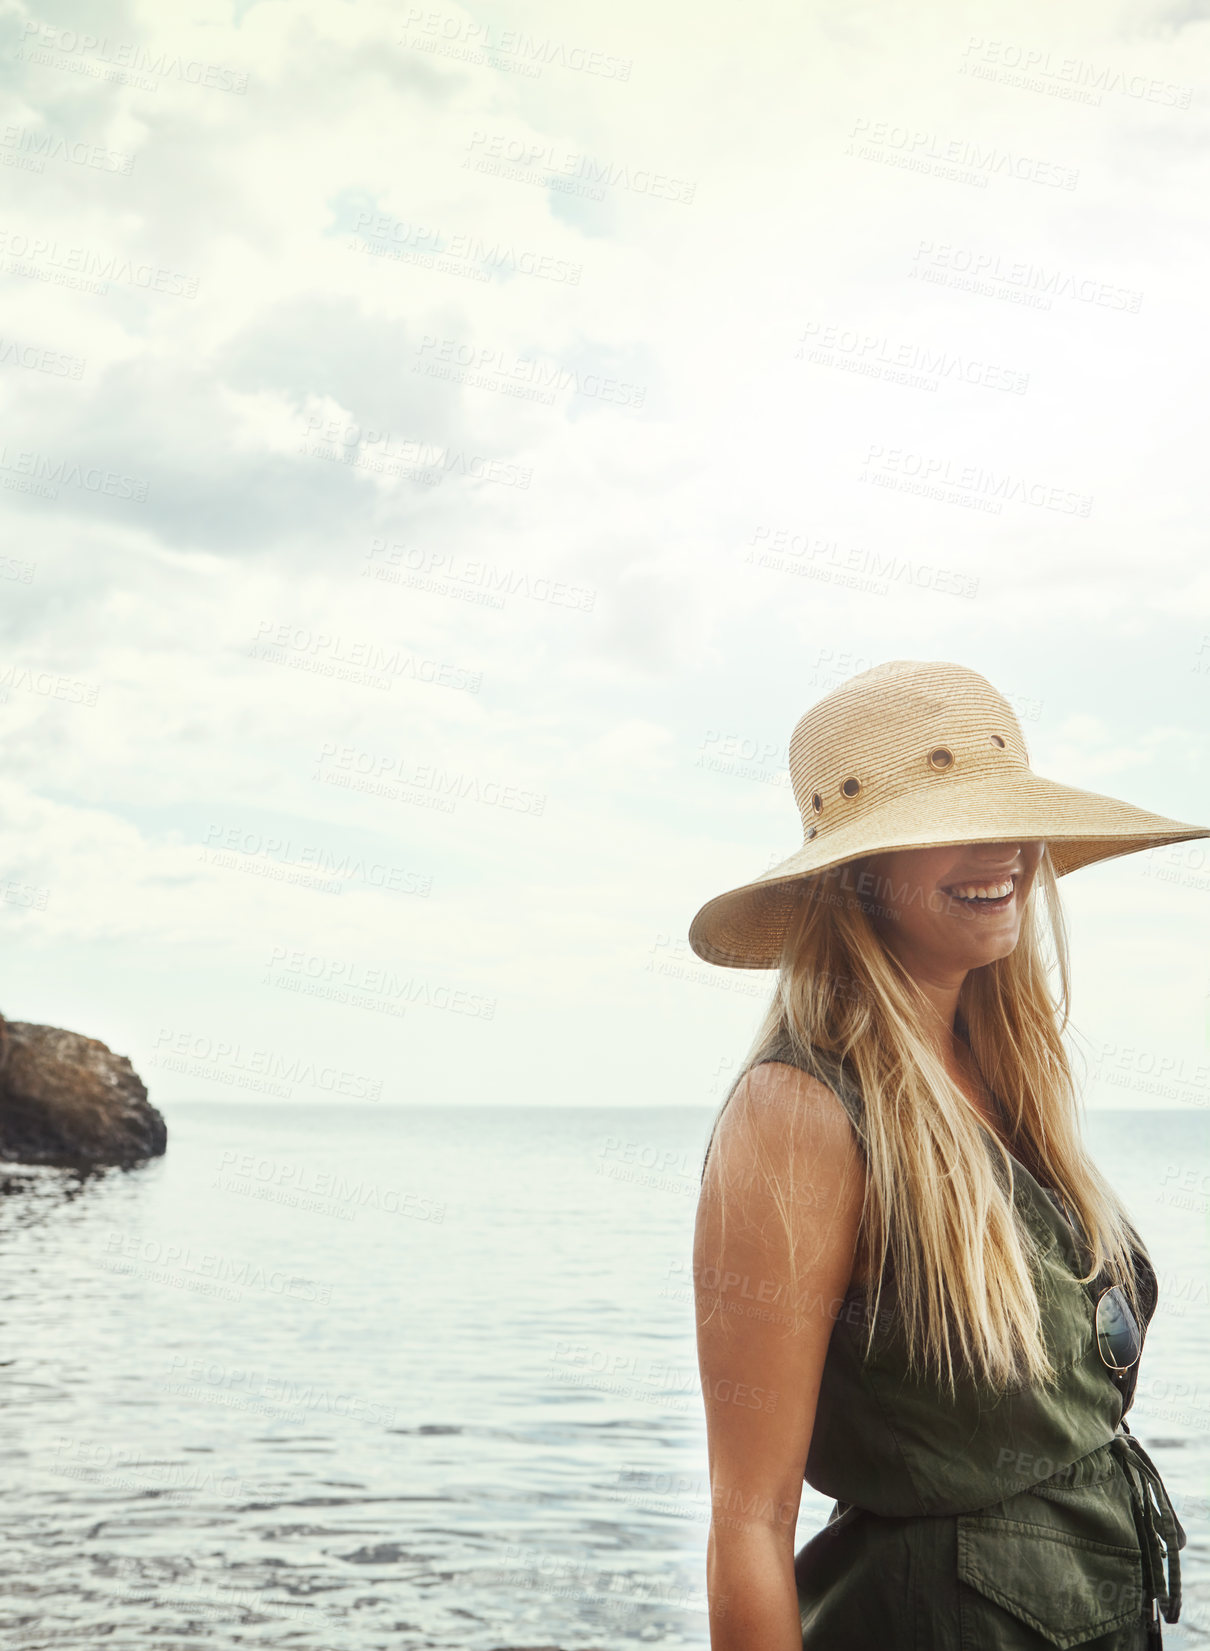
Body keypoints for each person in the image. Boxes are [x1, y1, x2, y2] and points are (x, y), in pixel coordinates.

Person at [687, 660, 1206, 1651]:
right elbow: (748, 1520)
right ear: (853, 872)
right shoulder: (797, 1111)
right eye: (946, 821)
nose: (999, 846)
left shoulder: (1004, 1077)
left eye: (1007, 810)